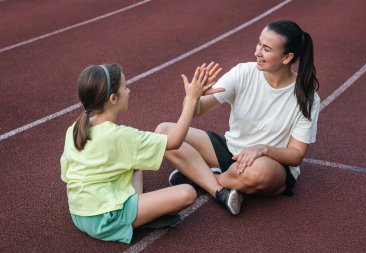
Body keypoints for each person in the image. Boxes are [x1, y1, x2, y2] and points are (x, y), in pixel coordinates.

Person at [155, 20, 320, 215]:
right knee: (163, 133)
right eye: (259, 44)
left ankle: (199, 176)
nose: (257, 52)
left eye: (266, 49)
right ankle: (220, 190)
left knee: (258, 172)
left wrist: (262, 149)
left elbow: (296, 155)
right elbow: (197, 110)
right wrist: (194, 96)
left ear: (287, 57)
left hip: (269, 164)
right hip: (231, 150)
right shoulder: (243, 72)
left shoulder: (307, 97)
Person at [60, 63, 216, 244]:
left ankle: (139, 210)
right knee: (187, 193)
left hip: (79, 213)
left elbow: (67, 175)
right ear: (112, 99)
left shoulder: (74, 129)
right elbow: (174, 141)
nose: (129, 90)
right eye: (125, 87)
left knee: (136, 164)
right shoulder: (120, 136)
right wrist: (191, 99)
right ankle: (138, 219)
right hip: (105, 219)